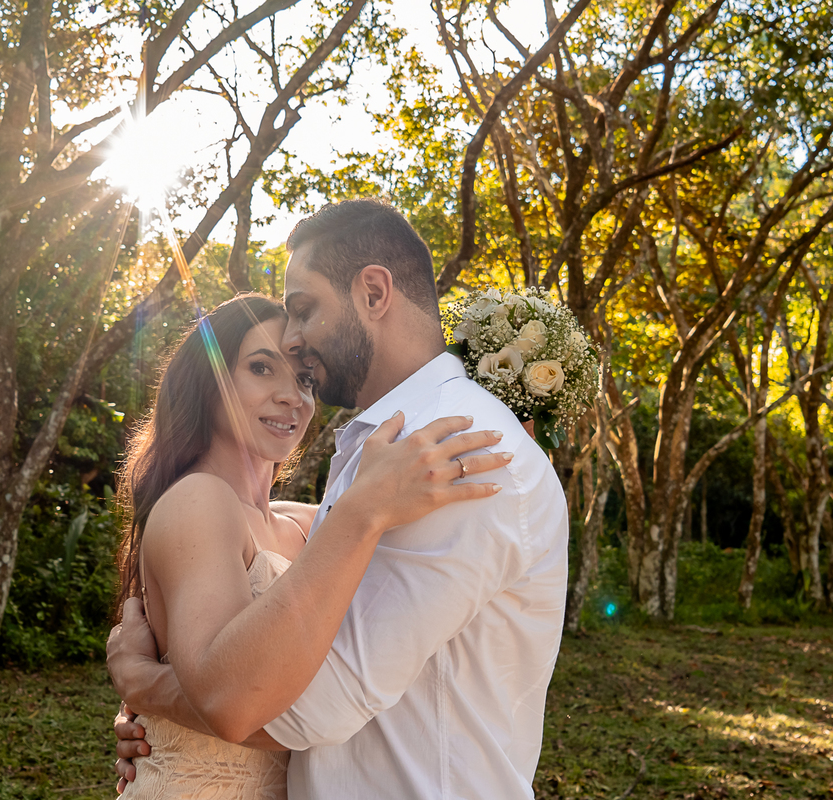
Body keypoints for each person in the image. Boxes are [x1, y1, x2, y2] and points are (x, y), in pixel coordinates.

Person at [110, 200, 569, 799]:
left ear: (374, 293)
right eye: (261, 367)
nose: (297, 347)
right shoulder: (386, 453)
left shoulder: (450, 448)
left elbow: (293, 702)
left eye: (303, 311)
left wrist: (148, 685)